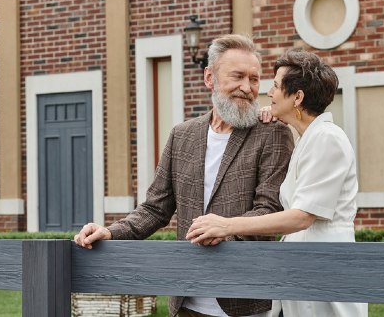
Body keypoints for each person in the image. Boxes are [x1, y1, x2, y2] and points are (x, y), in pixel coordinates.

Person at [74, 34, 294, 317]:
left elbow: (269, 210)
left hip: (245, 301)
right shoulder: (182, 135)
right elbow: (155, 208)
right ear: (209, 78)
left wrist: (225, 228)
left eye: (254, 79)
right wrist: (111, 232)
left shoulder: (272, 133)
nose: (247, 87)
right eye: (237, 76)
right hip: (186, 300)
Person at [186, 48, 368, 317]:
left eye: (274, 86)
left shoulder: (328, 138)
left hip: (324, 271)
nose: (268, 94)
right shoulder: (305, 138)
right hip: (298, 271)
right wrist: (264, 117)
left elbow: (301, 217)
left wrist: (225, 225)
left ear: (298, 97)